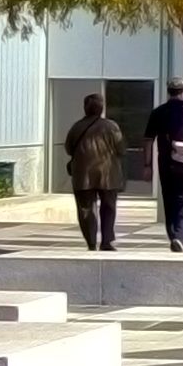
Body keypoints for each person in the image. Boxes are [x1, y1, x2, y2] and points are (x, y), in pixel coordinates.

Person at [65, 94, 125, 252]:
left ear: (85, 108)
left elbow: (69, 149)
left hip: (83, 174)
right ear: (101, 109)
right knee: (109, 207)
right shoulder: (111, 126)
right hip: (108, 174)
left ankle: (91, 242)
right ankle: (106, 241)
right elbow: (121, 149)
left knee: (86, 209)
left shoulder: (76, 127)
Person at [143, 79, 183, 252]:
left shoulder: (159, 112)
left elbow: (148, 141)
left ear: (168, 91)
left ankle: (174, 235)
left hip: (166, 163)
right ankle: (179, 236)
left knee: (169, 200)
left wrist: (147, 165)